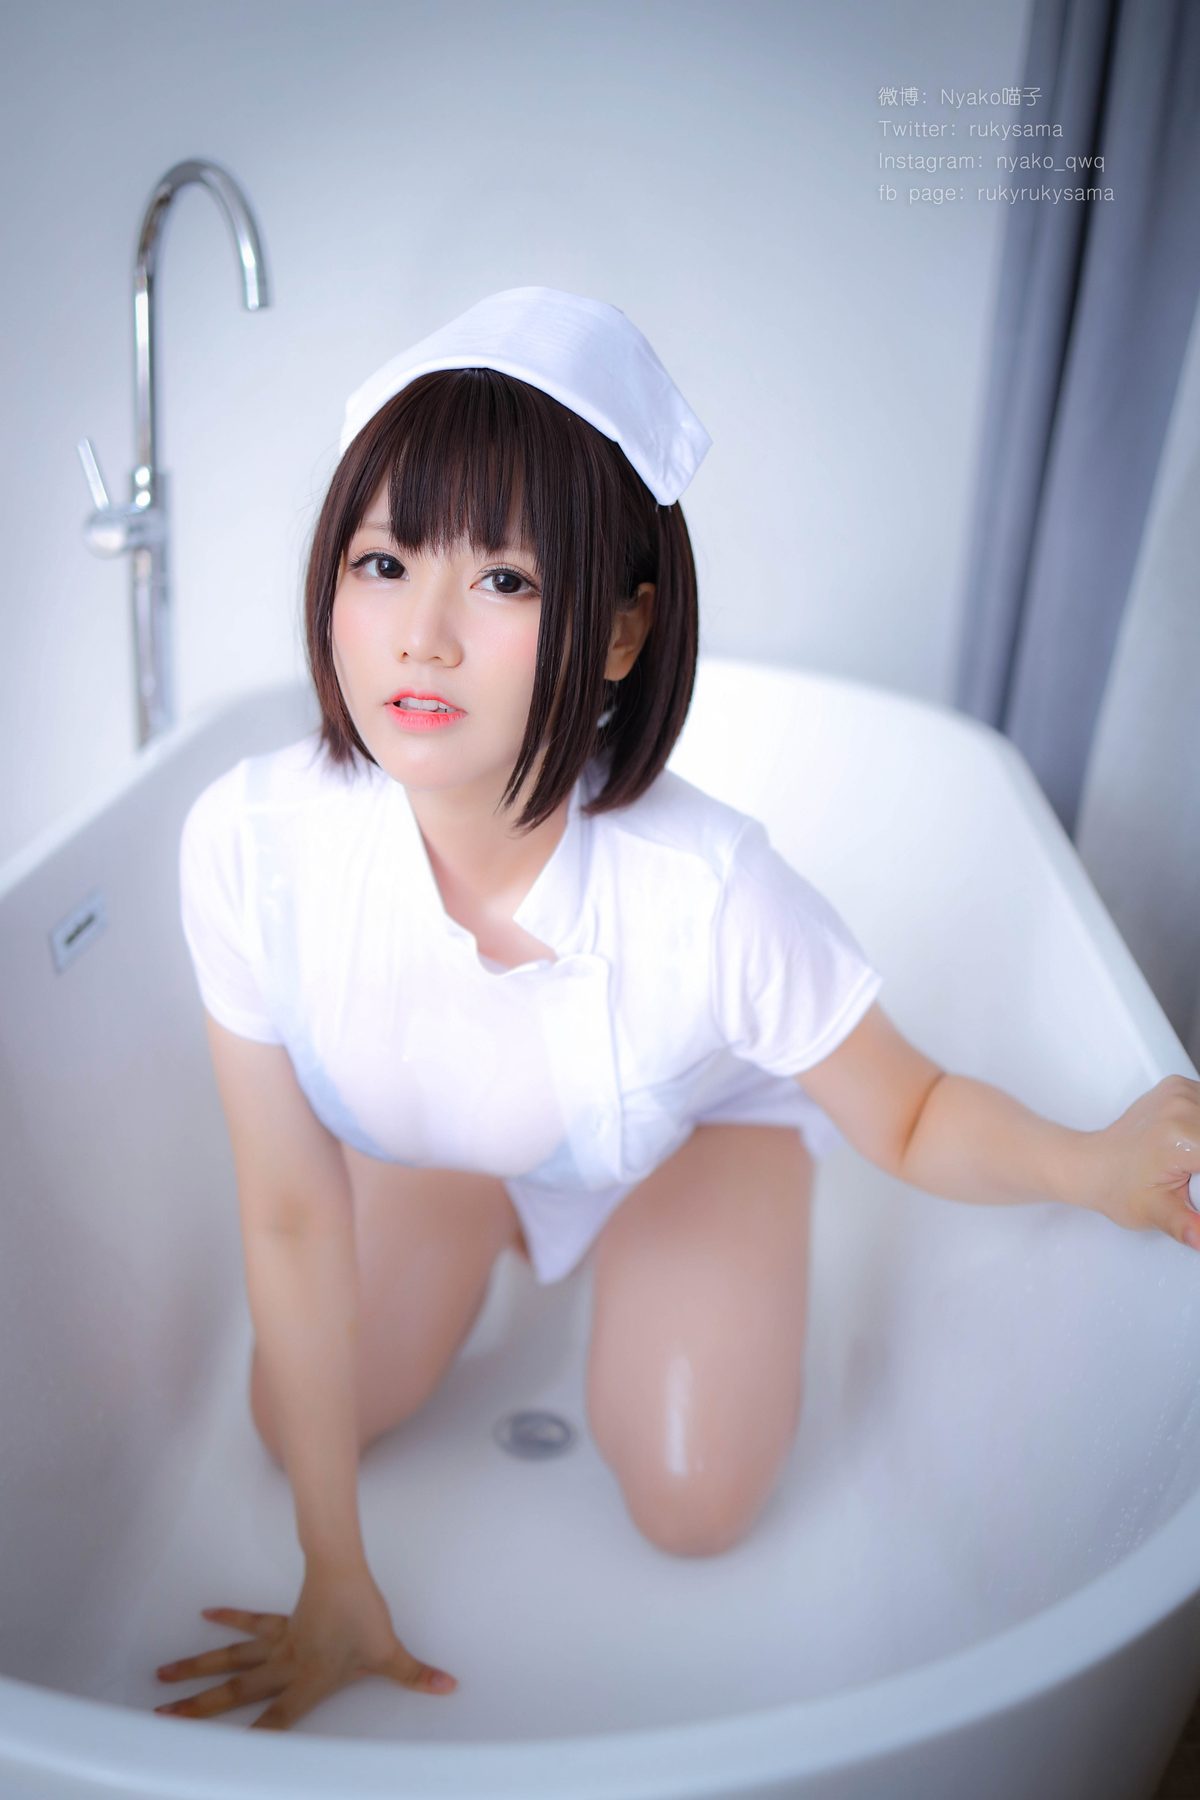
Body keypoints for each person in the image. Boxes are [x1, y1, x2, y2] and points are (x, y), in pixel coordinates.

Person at [156, 286, 1200, 1733]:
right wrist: (335, 1573)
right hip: (458, 1141)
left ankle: (679, 1231)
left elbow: (906, 1109)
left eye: (504, 580)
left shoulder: (709, 890)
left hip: (696, 1136)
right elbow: (288, 1211)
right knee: (291, 1423)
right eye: (384, 561)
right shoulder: (250, 844)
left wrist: (1095, 1165)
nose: (423, 637)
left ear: (621, 629)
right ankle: (494, 1212)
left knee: (695, 1501)